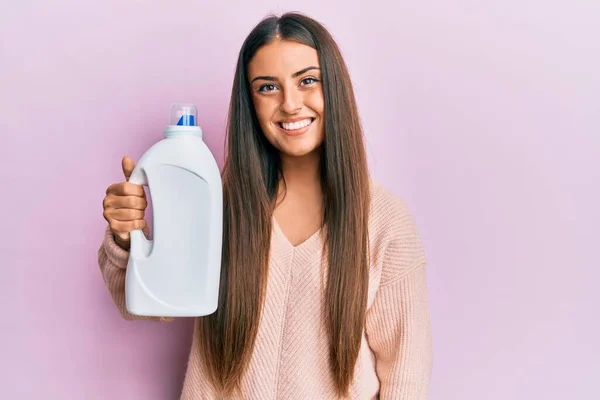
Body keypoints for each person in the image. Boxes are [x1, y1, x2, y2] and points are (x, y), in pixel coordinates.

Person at [99, 12, 432, 400]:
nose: (290, 104)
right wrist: (128, 238)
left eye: (308, 80)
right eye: (267, 87)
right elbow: (149, 304)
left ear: (334, 87)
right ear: (250, 103)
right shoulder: (219, 202)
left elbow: (405, 376)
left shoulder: (385, 221)